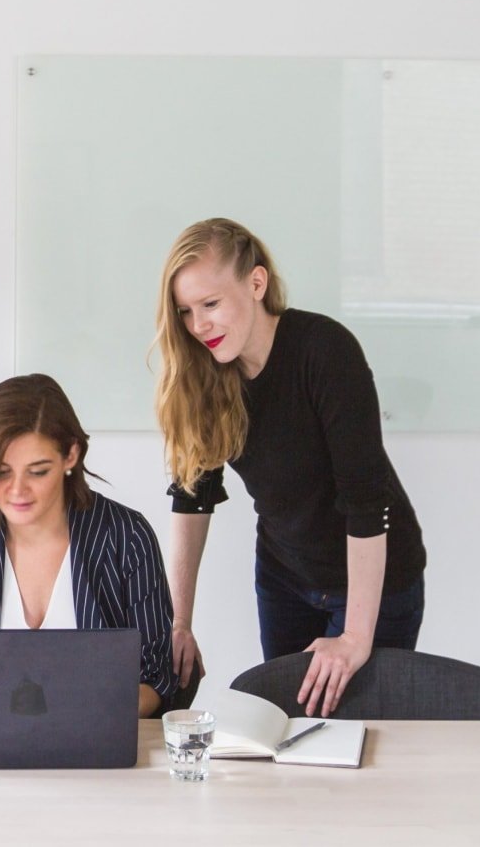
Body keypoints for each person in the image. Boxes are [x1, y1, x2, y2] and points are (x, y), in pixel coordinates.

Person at [157, 218, 425, 718]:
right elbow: (192, 496)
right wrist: (179, 622)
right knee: (283, 729)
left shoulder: (323, 351)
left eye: (210, 304)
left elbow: (366, 503)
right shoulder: (204, 377)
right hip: (285, 577)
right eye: (186, 312)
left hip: (373, 584)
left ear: (256, 284)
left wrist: (354, 638)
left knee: (355, 736)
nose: (198, 326)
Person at [0, 374, 180, 717]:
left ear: (70, 454)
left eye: (37, 472)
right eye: (1, 472)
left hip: (100, 758)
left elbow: (158, 676)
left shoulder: (126, 537)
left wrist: (85, 717)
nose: (17, 491)